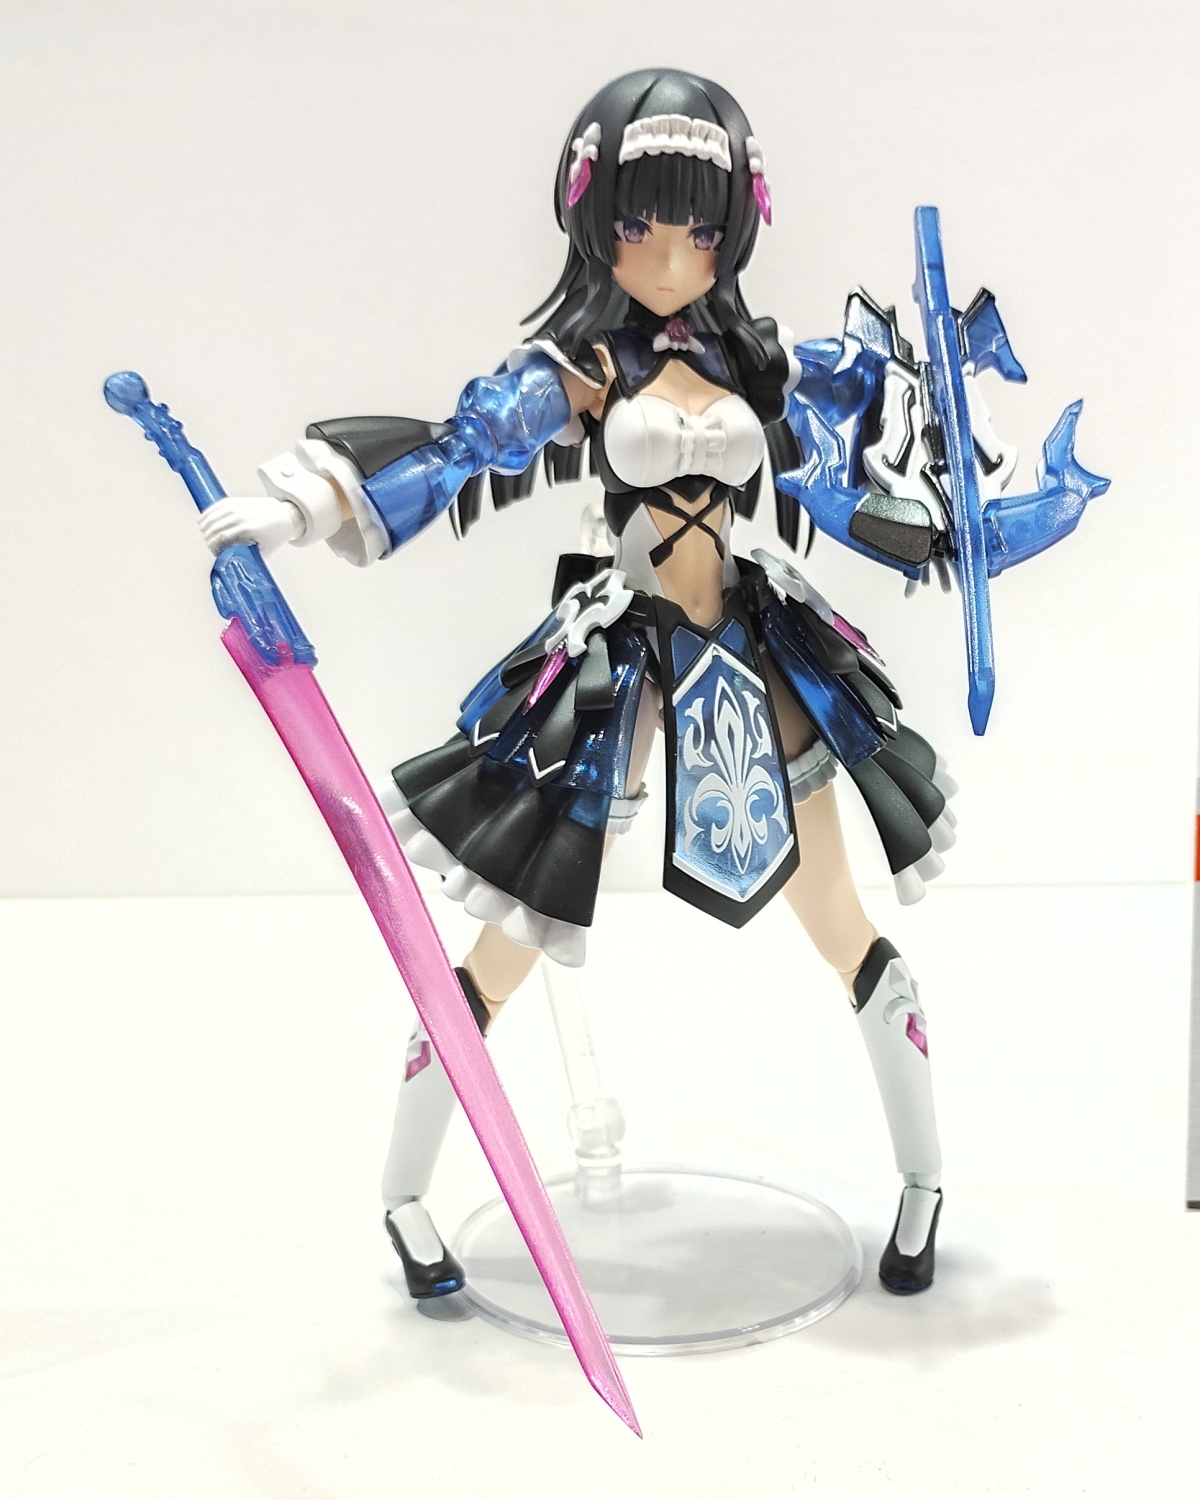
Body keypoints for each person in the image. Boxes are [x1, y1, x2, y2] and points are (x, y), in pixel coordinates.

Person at [200, 68, 952, 1301]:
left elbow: (861, 470)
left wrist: (938, 496)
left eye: (700, 228)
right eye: (642, 224)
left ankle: (923, 1182)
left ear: (736, 229)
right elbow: (461, 445)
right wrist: (305, 504)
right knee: (515, 928)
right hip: (623, 656)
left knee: (835, 913)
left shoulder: (761, 361)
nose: (670, 254)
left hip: (754, 646)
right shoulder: (586, 367)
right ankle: (403, 1194)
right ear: (596, 219)